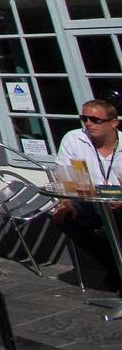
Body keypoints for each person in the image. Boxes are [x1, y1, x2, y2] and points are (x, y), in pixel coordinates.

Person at [52, 98, 122, 289]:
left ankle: (117, 272)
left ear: (113, 123)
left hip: (119, 204)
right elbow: (63, 174)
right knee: (64, 218)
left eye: (95, 120)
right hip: (91, 203)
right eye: (85, 118)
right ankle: (116, 266)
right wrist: (65, 202)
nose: (89, 124)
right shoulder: (75, 138)